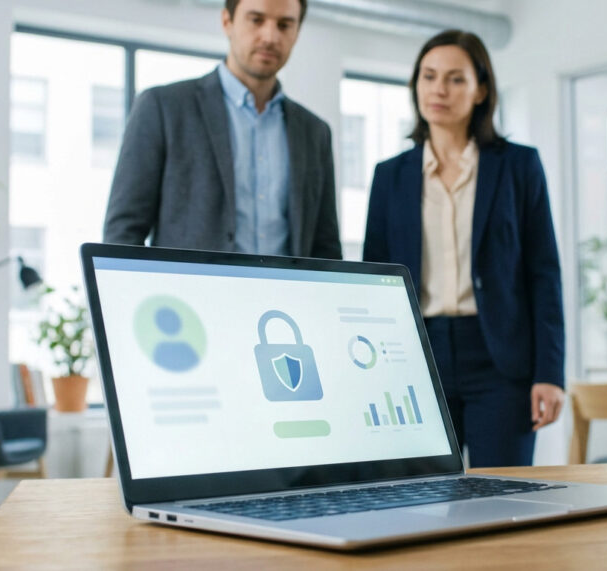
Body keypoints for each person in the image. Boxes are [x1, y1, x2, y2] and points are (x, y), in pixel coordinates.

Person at [362, 30, 564, 467]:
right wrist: (372, 370)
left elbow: (544, 273)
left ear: (481, 90)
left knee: (505, 494)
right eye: (429, 76)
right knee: (422, 496)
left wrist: (550, 374)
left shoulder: (519, 166)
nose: (439, 89)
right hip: (414, 356)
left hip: (500, 359)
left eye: (456, 79)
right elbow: (373, 281)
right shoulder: (390, 176)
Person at [103, 0, 341, 260]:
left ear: (297, 33)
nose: (270, 37)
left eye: (284, 25)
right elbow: (123, 233)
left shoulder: (315, 132)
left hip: (287, 288)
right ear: (227, 22)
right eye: (256, 20)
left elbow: (326, 246)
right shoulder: (163, 107)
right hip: (189, 286)